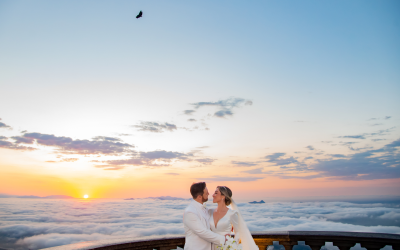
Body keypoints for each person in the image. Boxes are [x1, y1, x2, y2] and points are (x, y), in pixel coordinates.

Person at [209, 186, 259, 250]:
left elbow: (238, 232)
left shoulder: (232, 214)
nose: (213, 195)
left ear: (223, 196)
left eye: (216, 193)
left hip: (224, 247)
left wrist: (232, 246)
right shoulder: (210, 212)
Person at [183, 182, 229, 250]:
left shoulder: (205, 209)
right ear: (199, 196)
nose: (209, 193)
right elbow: (203, 232)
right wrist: (223, 239)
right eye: (206, 192)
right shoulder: (190, 212)